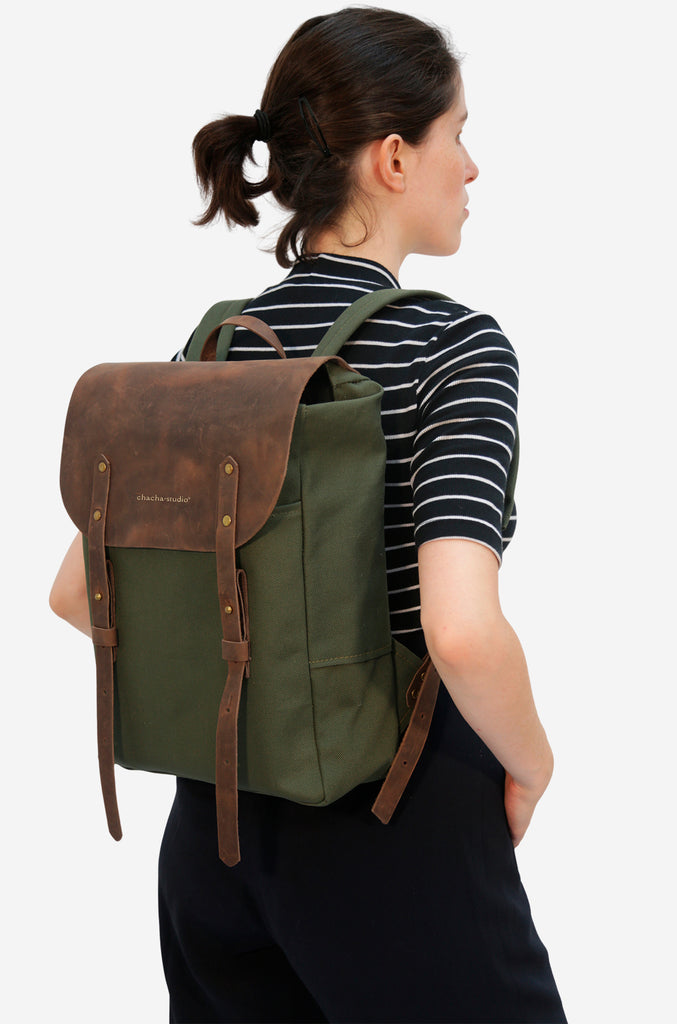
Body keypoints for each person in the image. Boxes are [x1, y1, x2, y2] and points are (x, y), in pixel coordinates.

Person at [50, 8, 567, 1022]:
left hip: (210, 835)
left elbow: (77, 594)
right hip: (393, 820)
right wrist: (532, 762)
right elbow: (460, 630)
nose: (471, 167)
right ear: (391, 158)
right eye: (456, 134)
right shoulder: (455, 348)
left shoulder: (213, 353)